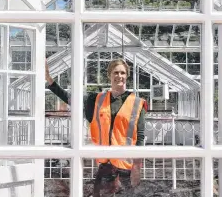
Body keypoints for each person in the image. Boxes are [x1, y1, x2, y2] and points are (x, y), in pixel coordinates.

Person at [45, 59, 147, 197]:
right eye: (115, 72)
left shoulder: (137, 103)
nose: (119, 76)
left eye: (123, 73)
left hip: (127, 168)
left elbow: (140, 137)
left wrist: (137, 167)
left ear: (127, 75)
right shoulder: (96, 100)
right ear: (109, 75)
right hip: (106, 166)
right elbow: (70, 98)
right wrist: (49, 79)